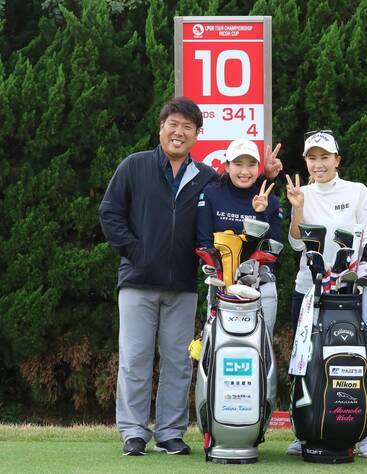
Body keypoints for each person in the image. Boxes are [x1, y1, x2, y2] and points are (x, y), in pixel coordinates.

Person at [99, 96, 282, 456]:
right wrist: (137, 251)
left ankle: (170, 432)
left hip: (183, 285)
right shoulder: (134, 166)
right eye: (173, 124)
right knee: (135, 359)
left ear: (198, 134)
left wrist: (266, 176)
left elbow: (238, 190)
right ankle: (134, 432)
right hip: (137, 281)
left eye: (187, 127)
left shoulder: (205, 177)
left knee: (178, 362)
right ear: (161, 127)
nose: (179, 132)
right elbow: (110, 213)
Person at [284, 130, 367, 458]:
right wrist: (297, 208)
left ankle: (363, 433)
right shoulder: (302, 193)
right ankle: (303, 429)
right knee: (303, 360)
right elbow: (295, 243)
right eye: (312, 158)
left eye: (325, 157)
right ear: (306, 161)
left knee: (358, 358)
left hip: (347, 292)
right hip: (308, 290)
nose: (319, 164)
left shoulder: (357, 191)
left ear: (337, 160)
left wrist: (353, 271)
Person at [196, 138, 283, 335]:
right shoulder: (211, 193)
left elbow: (271, 247)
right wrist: (218, 271)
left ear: (258, 168)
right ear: (227, 166)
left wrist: (260, 213)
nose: (245, 171)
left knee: (259, 345)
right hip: (221, 284)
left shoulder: (270, 200)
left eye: (251, 164)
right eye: (238, 164)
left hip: (260, 285)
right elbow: (203, 241)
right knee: (220, 343)